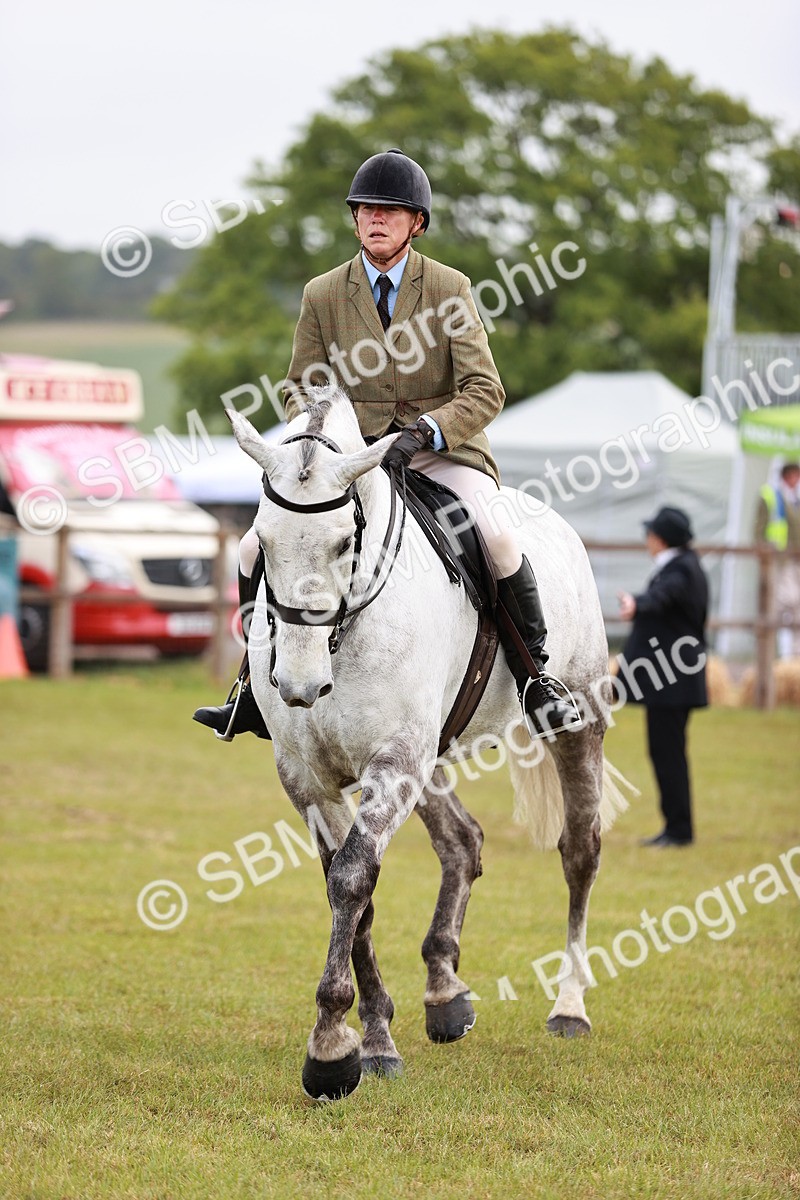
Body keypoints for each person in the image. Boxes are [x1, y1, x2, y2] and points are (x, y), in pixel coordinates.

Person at [194, 148, 577, 741]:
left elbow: (486, 389)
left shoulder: (450, 288)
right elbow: (300, 386)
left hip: (441, 452)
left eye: (390, 211)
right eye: (366, 209)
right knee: (251, 548)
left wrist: (427, 430)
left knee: (498, 536)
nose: (376, 219)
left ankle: (536, 679)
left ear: (415, 223)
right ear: (354, 219)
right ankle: (250, 686)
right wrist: (319, 442)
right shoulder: (323, 293)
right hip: (353, 460)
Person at [616, 506, 709, 848]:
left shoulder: (681, 569)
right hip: (671, 683)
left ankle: (679, 830)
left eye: (651, 534)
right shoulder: (683, 565)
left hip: (673, 684)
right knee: (666, 753)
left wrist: (638, 604)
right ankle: (675, 826)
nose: (647, 539)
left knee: (668, 754)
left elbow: (663, 595)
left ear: (661, 538)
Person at [754, 461, 800, 659]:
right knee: (778, 607)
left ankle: (792, 657)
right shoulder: (770, 495)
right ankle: (775, 656)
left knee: (794, 607)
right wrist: (764, 556)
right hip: (778, 561)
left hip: (794, 561)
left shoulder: (796, 499)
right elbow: (758, 530)